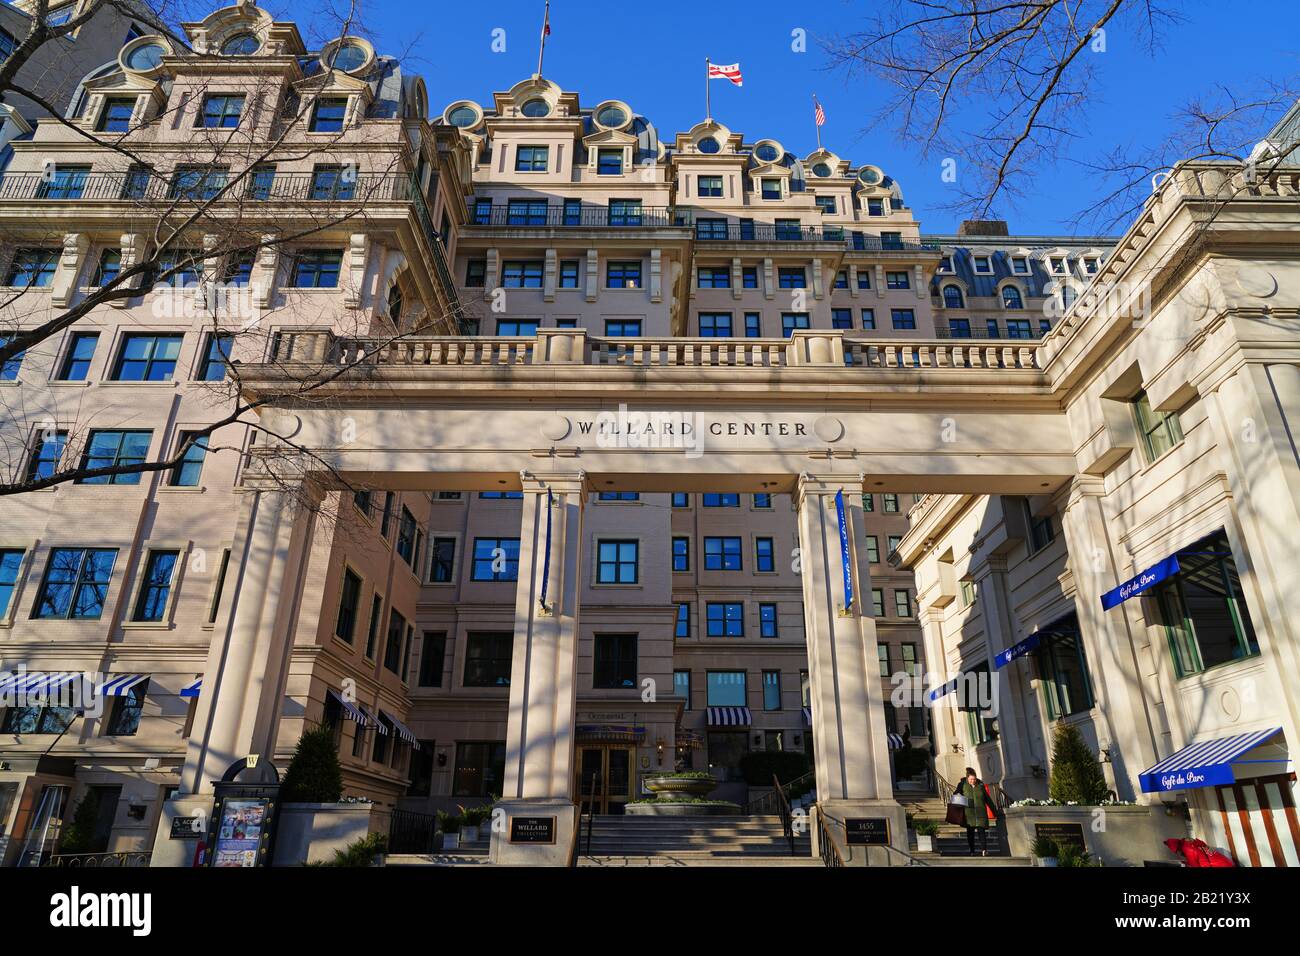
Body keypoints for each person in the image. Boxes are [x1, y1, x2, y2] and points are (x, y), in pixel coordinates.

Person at [954, 767, 999, 856]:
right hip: (969, 814)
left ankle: (984, 850)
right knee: (970, 834)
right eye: (971, 779)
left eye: (974, 779)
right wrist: (958, 795)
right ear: (967, 778)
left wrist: (995, 811)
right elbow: (955, 795)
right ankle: (972, 851)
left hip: (980, 813)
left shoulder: (980, 785)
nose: (973, 781)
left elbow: (987, 799)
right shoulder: (962, 785)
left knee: (981, 832)